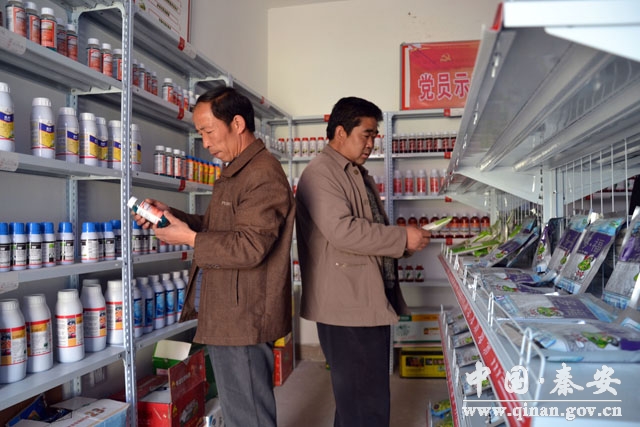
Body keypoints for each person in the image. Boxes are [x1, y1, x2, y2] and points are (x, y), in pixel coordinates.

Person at [132, 86, 295, 427]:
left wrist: (189, 238)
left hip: (244, 317)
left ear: (237, 124)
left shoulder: (262, 173)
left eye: (208, 131)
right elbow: (218, 227)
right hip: (228, 311)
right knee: (240, 411)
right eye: (201, 134)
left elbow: (250, 246)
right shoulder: (238, 169)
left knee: (249, 415)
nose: (205, 143)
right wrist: (172, 216)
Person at [295, 96, 431, 427]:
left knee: (360, 398)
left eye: (374, 136)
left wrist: (404, 244)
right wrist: (401, 238)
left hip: (365, 297)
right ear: (340, 132)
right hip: (346, 304)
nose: (371, 143)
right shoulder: (321, 173)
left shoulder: (355, 172)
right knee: (363, 401)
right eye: (366, 135)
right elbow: (343, 231)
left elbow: (371, 228)